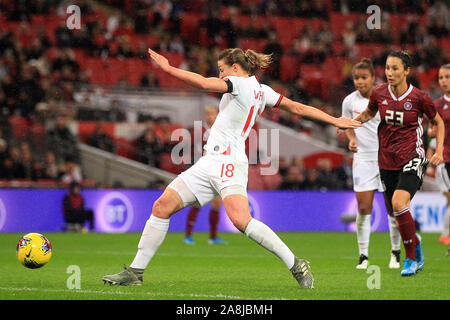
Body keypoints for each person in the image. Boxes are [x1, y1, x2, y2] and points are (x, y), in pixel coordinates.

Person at [102, 47, 361, 288]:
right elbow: (297, 107)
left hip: (228, 161)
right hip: (209, 162)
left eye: (222, 69)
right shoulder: (263, 90)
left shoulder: (237, 83)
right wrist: (333, 119)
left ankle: (296, 264)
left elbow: (203, 83)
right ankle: (135, 272)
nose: (220, 74)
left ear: (236, 68)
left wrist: (169, 69)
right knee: (161, 207)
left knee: (241, 220)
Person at [354, 51, 445, 277]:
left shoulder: (419, 98)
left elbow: (438, 122)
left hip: (412, 158)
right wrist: (347, 123)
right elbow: (368, 113)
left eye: (395, 68)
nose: (390, 73)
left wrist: (440, 150)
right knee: (396, 212)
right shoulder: (379, 93)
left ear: (407, 71)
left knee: (398, 202)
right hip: (386, 161)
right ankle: (415, 242)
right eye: (387, 68)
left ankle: (410, 259)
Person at [341, 58, 402, 270]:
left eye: (363, 78)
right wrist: (351, 138)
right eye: (356, 78)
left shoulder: (384, 97)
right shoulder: (349, 101)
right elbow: (347, 124)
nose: (359, 82)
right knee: (364, 207)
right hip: (363, 160)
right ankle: (363, 256)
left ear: (373, 79)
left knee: (392, 208)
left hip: (386, 159)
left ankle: (395, 253)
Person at [184, 106, 227, 245]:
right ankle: (188, 235)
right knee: (197, 202)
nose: (209, 116)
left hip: (216, 170)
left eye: (212, 114)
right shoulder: (199, 131)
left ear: (217, 115)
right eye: (207, 114)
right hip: (200, 170)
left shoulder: (221, 131)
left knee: (217, 203)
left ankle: (213, 237)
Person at [426, 63, 450, 246]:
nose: (443, 81)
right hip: (445, 158)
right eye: (441, 77)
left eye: (447, 77)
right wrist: (432, 131)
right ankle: (446, 234)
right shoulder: (437, 105)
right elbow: (430, 130)